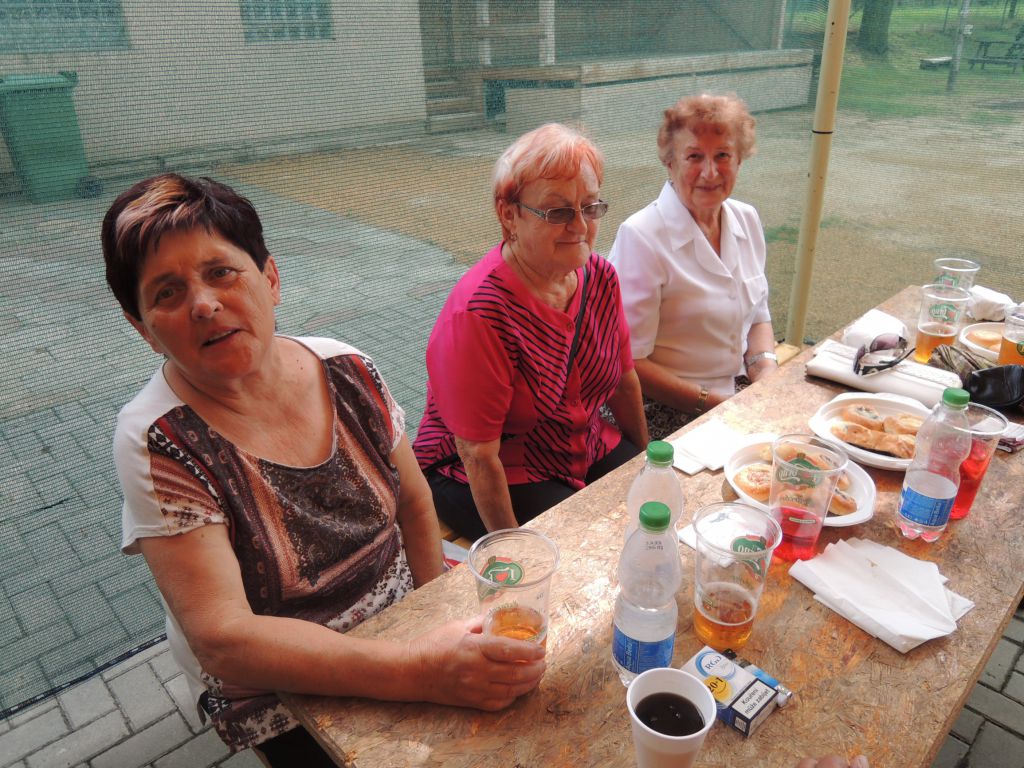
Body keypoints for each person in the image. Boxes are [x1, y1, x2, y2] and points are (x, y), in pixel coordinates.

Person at [103, 174, 545, 765]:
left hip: (402, 612)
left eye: (221, 272)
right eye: (166, 293)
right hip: (284, 682)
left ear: (271, 278)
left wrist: (436, 616)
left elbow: (415, 504)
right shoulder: (158, 440)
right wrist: (422, 671)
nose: (203, 304)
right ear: (142, 328)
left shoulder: (347, 369)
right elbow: (224, 640)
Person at [414, 123, 648, 540]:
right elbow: (477, 454)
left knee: (652, 503)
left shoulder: (601, 277)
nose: (580, 227)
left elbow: (624, 382)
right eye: (558, 212)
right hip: (497, 468)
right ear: (509, 214)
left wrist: (646, 462)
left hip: (583, 443)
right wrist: (517, 551)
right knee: (577, 543)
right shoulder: (480, 314)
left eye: (590, 207)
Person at [608, 93, 779, 440]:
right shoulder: (641, 237)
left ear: (740, 159)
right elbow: (627, 363)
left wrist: (766, 373)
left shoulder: (747, 218)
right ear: (669, 162)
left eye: (723, 155)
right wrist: (715, 404)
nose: (710, 172)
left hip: (734, 394)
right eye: (694, 156)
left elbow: (759, 316)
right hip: (659, 408)